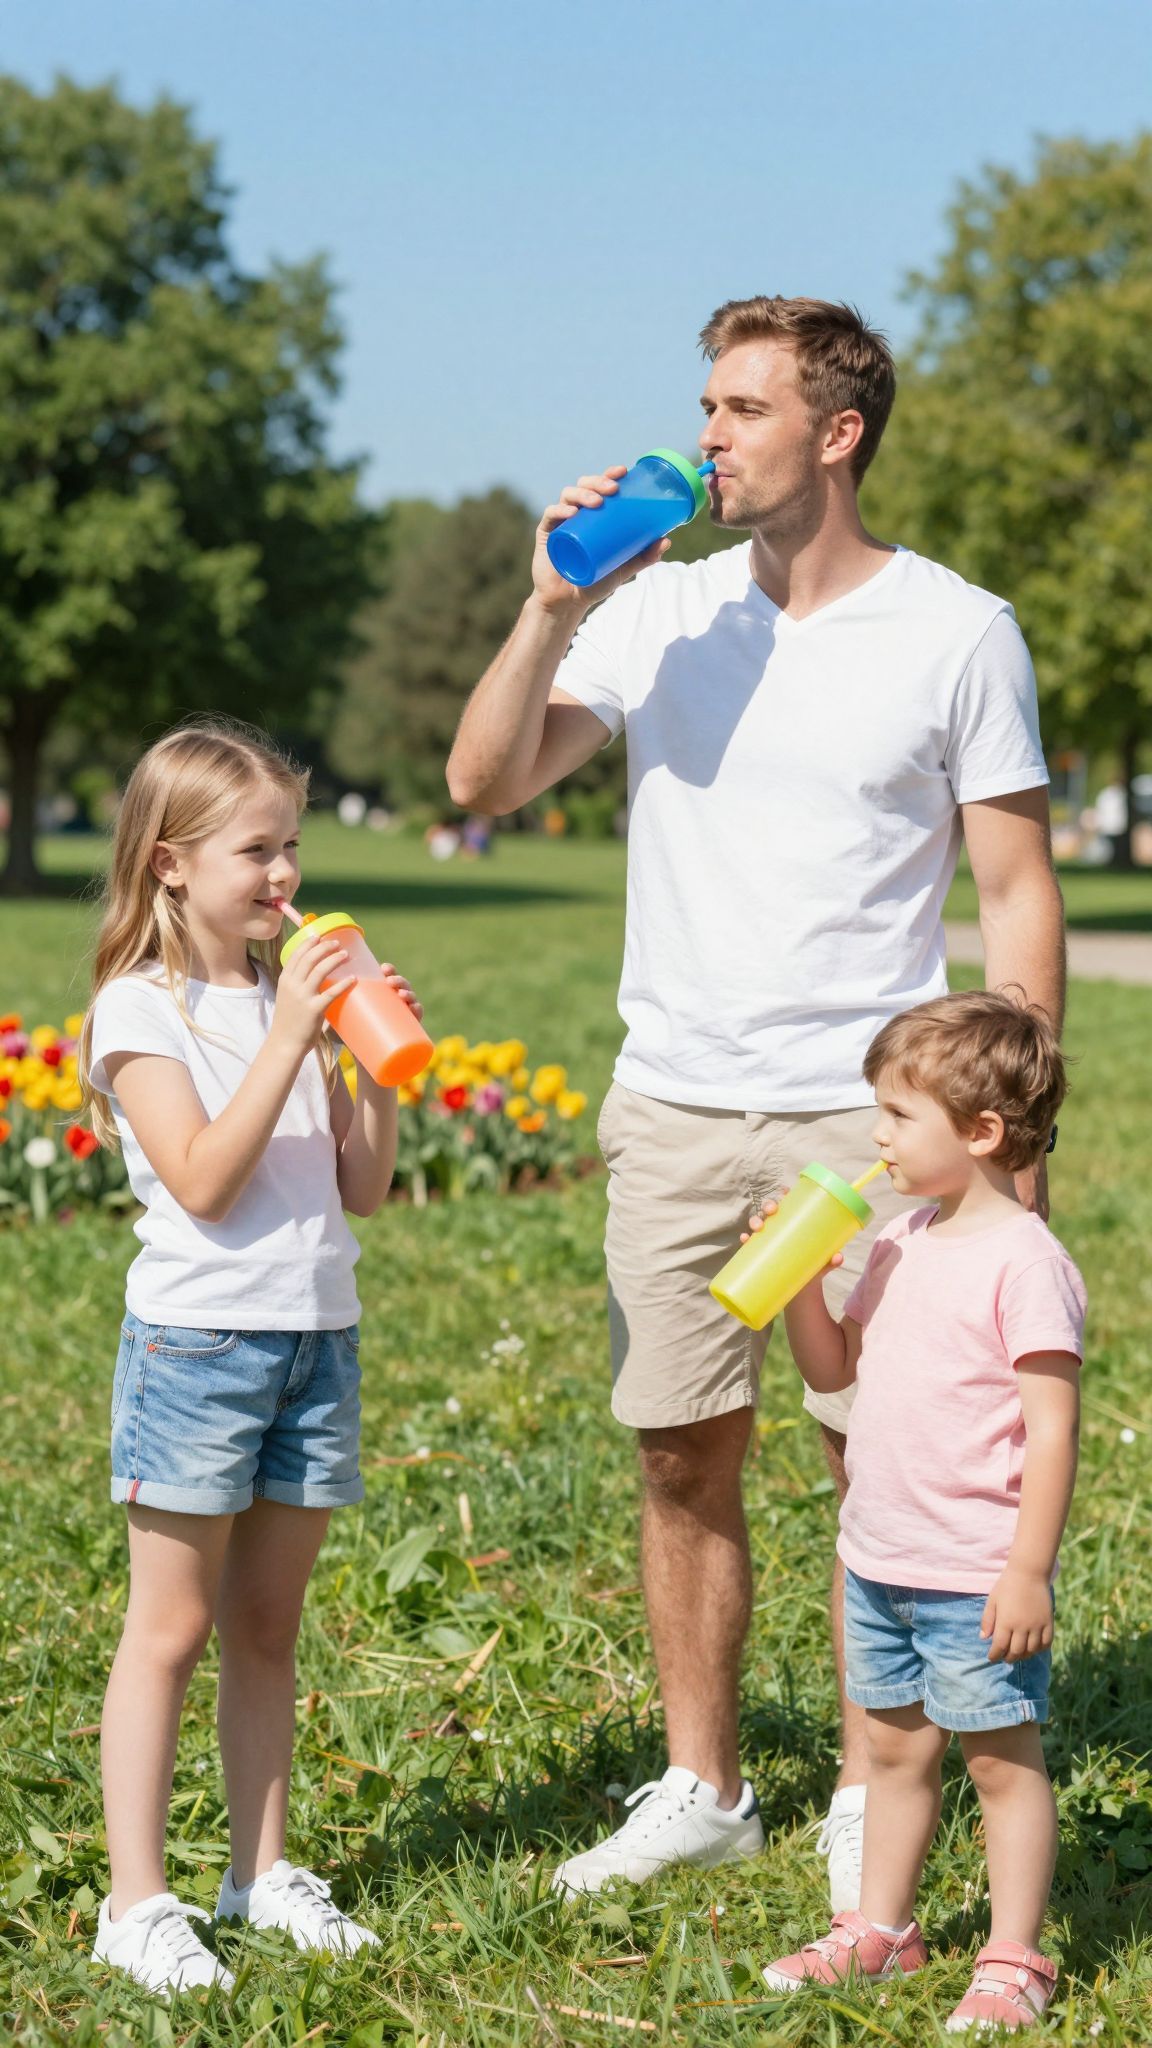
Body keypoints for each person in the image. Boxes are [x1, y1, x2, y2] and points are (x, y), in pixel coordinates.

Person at [446, 296, 1066, 1903]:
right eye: (706, 406)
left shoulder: (959, 631)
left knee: (886, 1462)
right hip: (674, 1105)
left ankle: (877, 1775)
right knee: (679, 1452)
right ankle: (703, 1784)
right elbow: (482, 781)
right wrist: (549, 604)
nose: (706, 437)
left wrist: (1015, 1148)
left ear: (836, 434)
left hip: (872, 1132)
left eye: (741, 410)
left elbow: (1015, 891)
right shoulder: (661, 613)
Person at [80, 721, 422, 1993]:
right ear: (169, 863)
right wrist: (290, 1035)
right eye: (255, 850)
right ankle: (135, 1900)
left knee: (268, 1624)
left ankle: (259, 1872)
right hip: (201, 1345)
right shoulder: (141, 1007)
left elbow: (361, 1188)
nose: (285, 874)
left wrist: (375, 1070)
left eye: (292, 845)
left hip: (314, 1339)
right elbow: (205, 1180)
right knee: (169, 1628)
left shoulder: (294, 1001)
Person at [759, 991, 1084, 2034]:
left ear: (981, 1132)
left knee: (1000, 1761)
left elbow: (1053, 1430)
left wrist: (1025, 1569)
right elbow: (834, 1371)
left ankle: (1014, 1956)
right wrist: (800, 1284)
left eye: (899, 1115)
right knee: (895, 1753)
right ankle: (882, 1928)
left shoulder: (1027, 1263)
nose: (878, 1136)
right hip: (880, 1559)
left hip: (975, 1572)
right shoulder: (898, 1238)